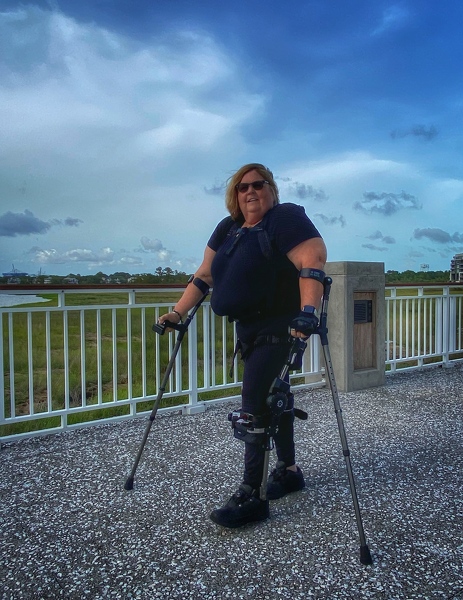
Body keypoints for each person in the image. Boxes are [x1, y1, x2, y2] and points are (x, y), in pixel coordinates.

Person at [158, 163, 327, 528]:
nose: (250, 192)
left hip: (279, 328)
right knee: (273, 398)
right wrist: (176, 312)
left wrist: (309, 311)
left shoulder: (284, 219)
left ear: (271, 189)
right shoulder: (228, 228)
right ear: (234, 194)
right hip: (248, 330)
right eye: (242, 187)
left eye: (258, 184)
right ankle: (288, 470)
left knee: (254, 403)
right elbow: (203, 277)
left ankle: (253, 494)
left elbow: (312, 261)